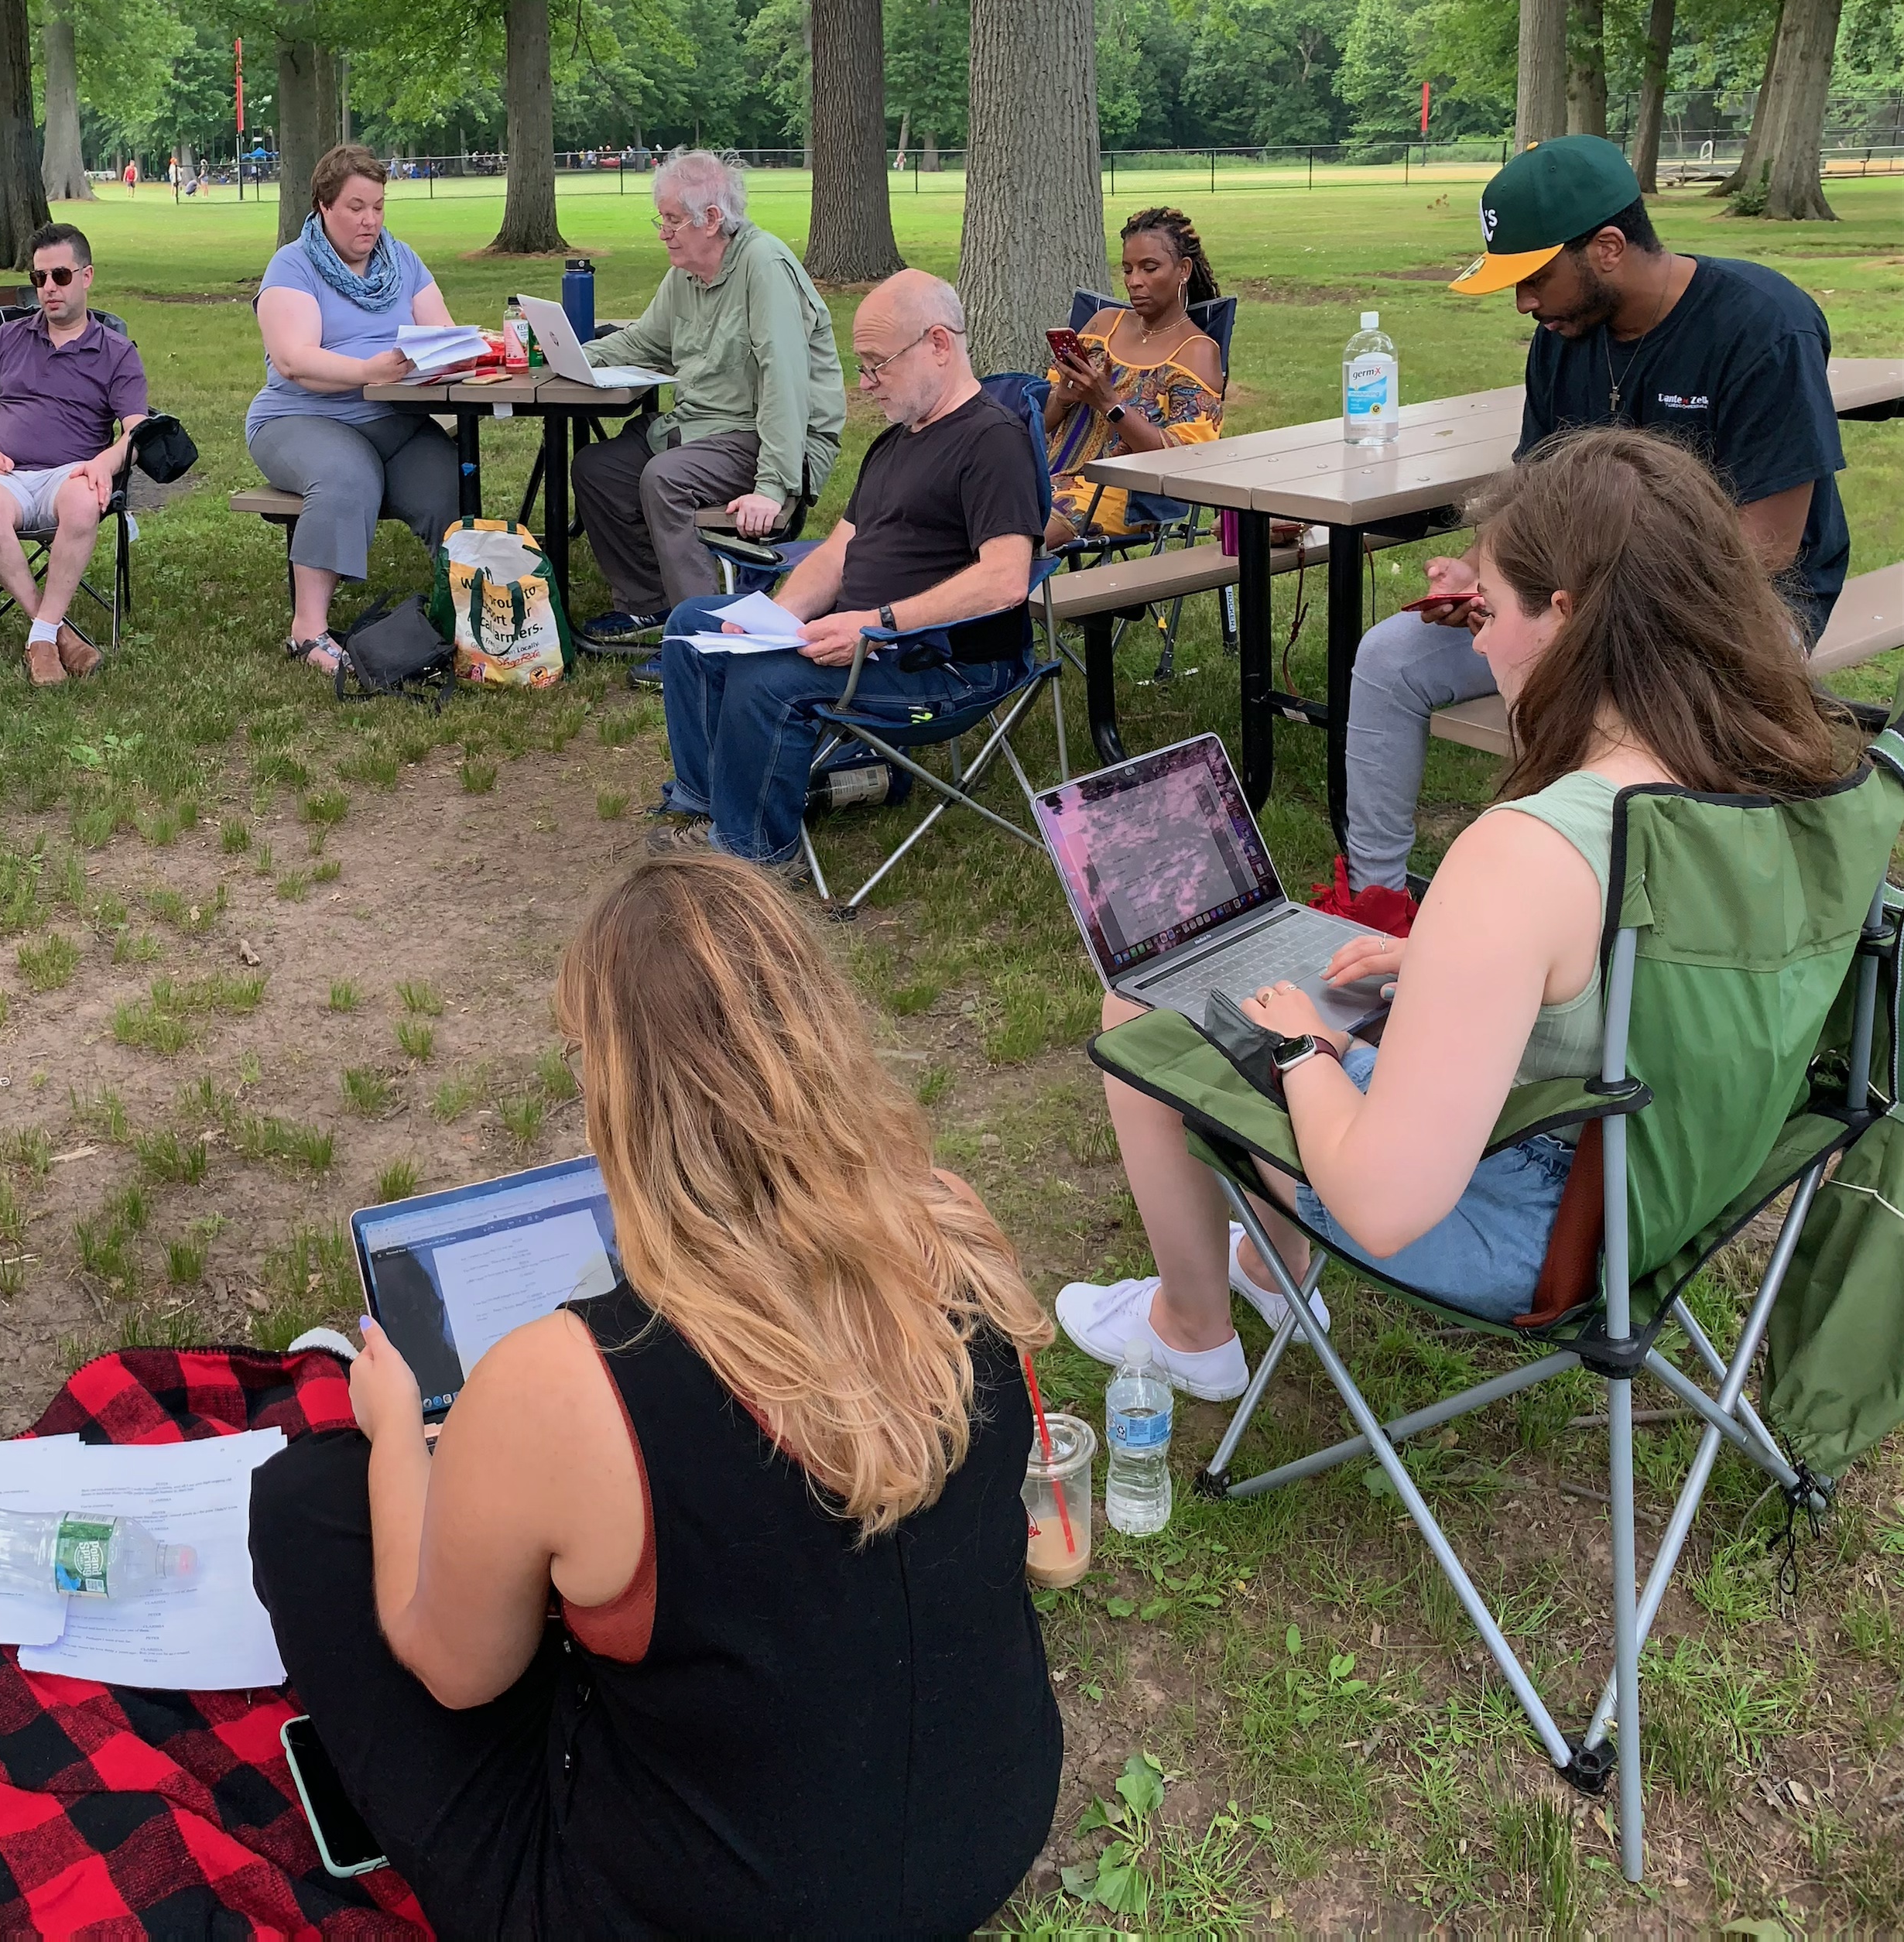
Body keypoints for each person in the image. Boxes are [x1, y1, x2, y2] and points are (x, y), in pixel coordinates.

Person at [251, 855, 1060, 1938]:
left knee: (305, 1504)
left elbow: (453, 1673)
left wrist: (398, 1431)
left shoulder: (558, 1382)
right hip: (986, 1833)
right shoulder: (949, 1224)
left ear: (612, 1088)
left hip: (695, 1916)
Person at [1060, 429, 1857, 1396]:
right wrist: (1449, 961)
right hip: (1692, 1174)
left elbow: (1383, 1204)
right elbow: (1671, 963)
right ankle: (1270, 1267)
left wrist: (1310, 1048)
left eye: (1487, 611)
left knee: (1140, 1009)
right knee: (1331, 999)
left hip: (1547, 1228)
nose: (1475, 641)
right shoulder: (1801, 765)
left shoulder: (1532, 851)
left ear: (1561, 616)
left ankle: (1191, 1330)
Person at [1317, 135, 1852, 936]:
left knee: (1597, 697)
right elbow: (1529, 490)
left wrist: (1569, 615)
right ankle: (1379, 909)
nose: (1525, 303)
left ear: (1607, 248)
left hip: (1733, 611)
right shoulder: (1564, 339)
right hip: (1572, 600)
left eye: (1534, 277)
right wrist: (1481, 573)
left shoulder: (1763, 328)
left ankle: (1587, 926)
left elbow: (1766, 548)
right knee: (1389, 659)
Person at [645, 271, 1036, 874]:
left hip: (938, 663)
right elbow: (836, 553)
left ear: (938, 345)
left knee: (768, 679)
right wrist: (777, 617)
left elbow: (1005, 579)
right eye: (863, 365)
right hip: (860, 641)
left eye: (878, 364)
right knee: (691, 626)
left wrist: (877, 623)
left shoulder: (993, 442)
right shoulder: (896, 442)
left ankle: (754, 858)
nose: (865, 383)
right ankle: (710, 800)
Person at [576, 151, 846, 639]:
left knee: (666, 479)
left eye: (673, 220)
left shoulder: (763, 266)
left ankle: (705, 633)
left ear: (712, 220)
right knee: (598, 470)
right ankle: (649, 603)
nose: (662, 232)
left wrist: (773, 485)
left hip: (766, 437)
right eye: (662, 219)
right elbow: (644, 342)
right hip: (700, 427)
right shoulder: (687, 271)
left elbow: (786, 387)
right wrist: (572, 357)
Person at [246, 142, 461, 675]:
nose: (370, 220)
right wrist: (370, 371)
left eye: (379, 206)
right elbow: (294, 361)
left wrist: (462, 353)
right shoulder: (293, 265)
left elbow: (442, 335)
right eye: (356, 207)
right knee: (346, 478)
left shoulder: (401, 260)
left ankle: (464, 616)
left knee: (450, 485)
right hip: (302, 417)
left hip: (397, 420)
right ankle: (308, 632)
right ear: (323, 205)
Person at [0, 221, 147, 687]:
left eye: (60, 276)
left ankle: (40, 636)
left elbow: (138, 432)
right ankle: (54, 634)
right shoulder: (6, 339)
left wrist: (106, 461)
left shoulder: (117, 352)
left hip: (71, 474)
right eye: (39, 278)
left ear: (86, 276)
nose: (48, 288)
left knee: (86, 502)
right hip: (6, 474)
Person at [1040, 206, 1228, 551]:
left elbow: (1185, 459)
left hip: (1116, 493)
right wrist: (1064, 396)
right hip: (1045, 474)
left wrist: (1109, 403)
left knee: (1012, 540)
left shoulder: (1195, 352)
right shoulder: (1102, 324)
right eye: (1127, 269)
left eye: (1149, 268)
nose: (1134, 280)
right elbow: (1043, 424)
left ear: (1183, 270)